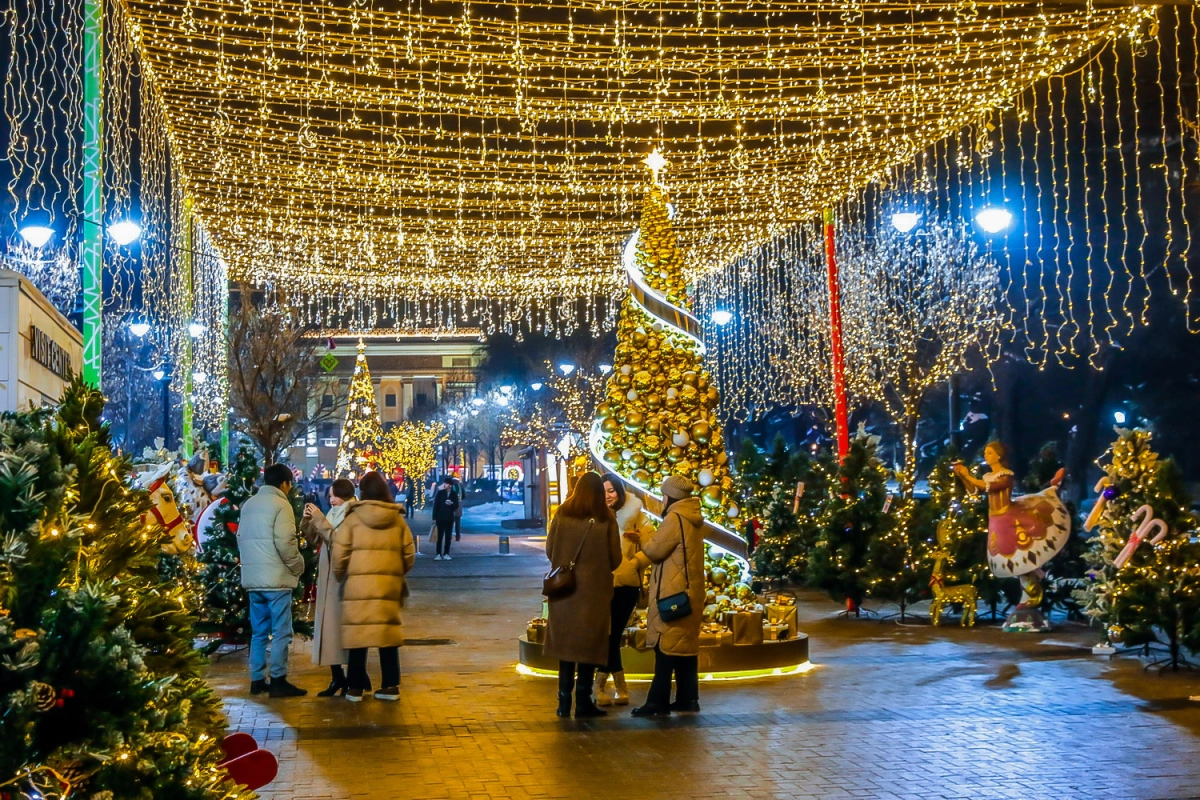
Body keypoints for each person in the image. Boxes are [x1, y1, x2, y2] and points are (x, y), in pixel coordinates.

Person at [543, 472, 622, 719]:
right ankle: (583, 701)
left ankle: (563, 702)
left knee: (566, 646)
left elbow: (549, 550)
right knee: (588, 646)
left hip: (564, 591)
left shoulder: (562, 514)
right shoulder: (605, 518)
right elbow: (616, 559)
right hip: (593, 594)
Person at [333, 471, 416, 701]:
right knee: (386, 633)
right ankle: (390, 685)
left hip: (356, 586)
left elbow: (339, 556)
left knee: (358, 635)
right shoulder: (397, 520)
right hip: (388, 586)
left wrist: (343, 576)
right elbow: (409, 554)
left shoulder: (352, 519)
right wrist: (395, 573)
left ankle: (355, 688)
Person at [631, 475, 705, 717]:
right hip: (688, 591)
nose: (662, 499)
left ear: (671, 496)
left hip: (673, 593)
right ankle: (688, 698)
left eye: (664, 495)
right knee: (684, 650)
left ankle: (657, 702)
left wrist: (641, 537)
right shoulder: (691, 516)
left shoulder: (675, 517)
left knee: (665, 648)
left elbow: (654, 550)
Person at [238, 463, 307, 698]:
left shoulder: (249, 504)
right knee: (281, 632)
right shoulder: (281, 505)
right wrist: (298, 567)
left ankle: (257, 680)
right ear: (285, 483)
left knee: (258, 633)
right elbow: (286, 543)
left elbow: (242, 539)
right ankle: (278, 679)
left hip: (253, 580)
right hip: (277, 580)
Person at [593, 474, 654, 707]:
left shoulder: (635, 515)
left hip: (627, 583)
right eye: (604, 491)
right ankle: (616, 686)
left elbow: (653, 547)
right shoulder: (595, 515)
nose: (608, 495)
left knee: (614, 634)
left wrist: (635, 561)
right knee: (608, 635)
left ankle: (601, 686)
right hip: (600, 583)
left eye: (612, 491)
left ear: (619, 491)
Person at [301, 478, 355, 697]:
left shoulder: (351, 514)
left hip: (342, 578)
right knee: (329, 626)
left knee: (339, 628)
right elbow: (315, 539)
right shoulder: (333, 513)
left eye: (334, 495)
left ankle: (349, 677)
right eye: (329, 496)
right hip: (328, 577)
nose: (331, 500)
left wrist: (320, 520)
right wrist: (307, 521)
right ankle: (338, 676)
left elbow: (338, 541)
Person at [431, 477, 459, 561]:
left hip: (449, 518)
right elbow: (435, 506)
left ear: (450, 485)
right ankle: (438, 553)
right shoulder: (440, 493)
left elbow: (456, 506)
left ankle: (446, 553)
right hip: (440, 518)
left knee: (448, 537)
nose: (445, 485)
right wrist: (434, 518)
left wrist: (451, 504)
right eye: (444, 483)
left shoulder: (454, 494)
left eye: (446, 483)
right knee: (439, 537)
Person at [451, 477, 464, 541]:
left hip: (451, 504)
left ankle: (449, 535)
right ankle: (458, 536)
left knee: (450, 521)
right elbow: (464, 495)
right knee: (457, 521)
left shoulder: (450, 486)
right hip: (459, 504)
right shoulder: (460, 486)